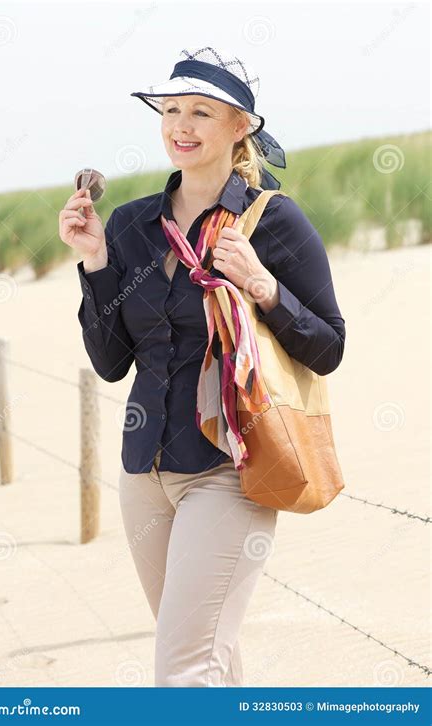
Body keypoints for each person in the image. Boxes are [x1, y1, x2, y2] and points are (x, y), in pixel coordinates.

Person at [59, 46, 346, 687]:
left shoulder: (273, 221)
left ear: (240, 126)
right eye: (170, 110)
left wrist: (265, 287)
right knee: (206, 657)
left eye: (201, 112)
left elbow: (329, 346)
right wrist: (96, 264)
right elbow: (110, 364)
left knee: (184, 669)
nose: (180, 126)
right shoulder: (133, 225)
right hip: (144, 472)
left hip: (230, 469)